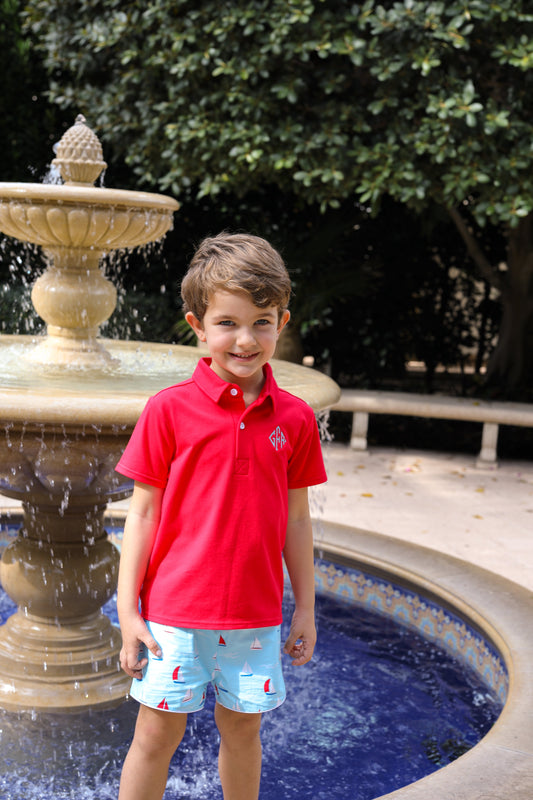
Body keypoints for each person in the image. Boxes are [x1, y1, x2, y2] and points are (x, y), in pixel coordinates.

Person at [116, 232, 327, 800]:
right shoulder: (168, 411)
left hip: (255, 619)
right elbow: (141, 517)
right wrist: (128, 609)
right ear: (198, 326)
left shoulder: (297, 419)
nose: (246, 338)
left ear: (282, 321)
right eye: (228, 323)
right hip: (173, 618)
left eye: (262, 321)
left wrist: (304, 606)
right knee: (155, 736)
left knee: (243, 733)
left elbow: (298, 521)